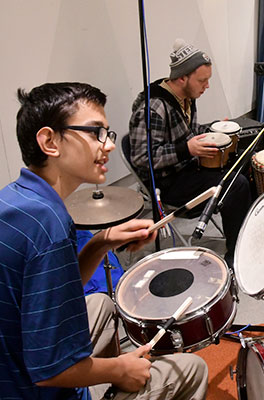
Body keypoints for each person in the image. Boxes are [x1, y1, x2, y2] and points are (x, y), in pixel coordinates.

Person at [0, 82, 208, 399]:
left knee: (101, 303)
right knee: (193, 368)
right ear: (49, 141)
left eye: (107, 133)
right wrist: (119, 369)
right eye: (95, 132)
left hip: (13, 361)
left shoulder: (17, 200)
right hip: (30, 387)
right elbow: (50, 369)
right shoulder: (49, 227)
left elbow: (58, 287)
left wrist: (101, 243)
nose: (109, 145)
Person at [129, 39, 252, 266]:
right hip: (168, 184)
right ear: (182, 77)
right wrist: (186, 149)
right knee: (237, 184)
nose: (207, 86)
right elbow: (142, 158)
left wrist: (212, 129)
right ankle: (236, 254)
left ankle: (246, 236)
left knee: (245, 163)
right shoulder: (153, 108)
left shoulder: (186, 97)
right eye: (202, 80)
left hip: (187, 169)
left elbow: (188, 133)